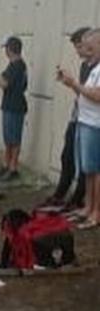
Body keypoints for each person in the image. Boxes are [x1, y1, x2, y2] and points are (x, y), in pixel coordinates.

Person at [44, 27, 94, 209]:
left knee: (85, 164)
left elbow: (93, 95)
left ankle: (78, 199)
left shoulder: (96, 67)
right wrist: (70, 83)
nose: (79, 52)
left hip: (89, 121)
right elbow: (81, 94)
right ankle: (61, 193)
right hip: (78, 116)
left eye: (80, 47)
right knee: (67, 157)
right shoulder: (84, 66)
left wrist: (74, 83)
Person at [59, 29, 100, 229]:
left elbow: (98, 95)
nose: (87, 51)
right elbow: (85, 94)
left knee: (96, 171)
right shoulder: (92, 69)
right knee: (89, 170)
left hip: (95, 125)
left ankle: (96, 212)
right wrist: (71, 84)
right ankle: (87, 206)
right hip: (85, 122)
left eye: (91, 48)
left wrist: (75, 83)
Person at [0, 36, 28, 180]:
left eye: (6, 48)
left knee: (14, 138)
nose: (5, 52)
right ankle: (6, 164)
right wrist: (1, 80)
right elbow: (1, 80)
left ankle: (13, 168)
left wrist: (0, 80)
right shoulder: (12, 65)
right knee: (8, 138)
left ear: (10, 49)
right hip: (9, 104)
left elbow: (4, 82)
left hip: (15, 106)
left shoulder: (17, 65)